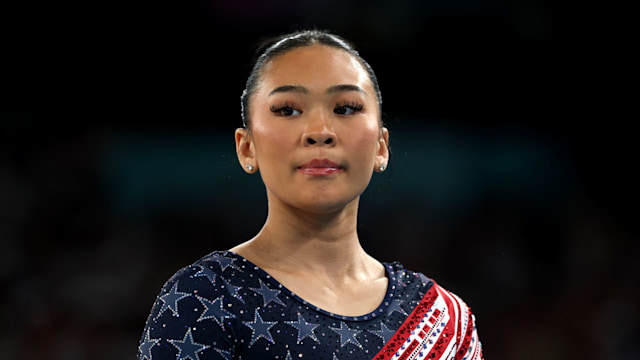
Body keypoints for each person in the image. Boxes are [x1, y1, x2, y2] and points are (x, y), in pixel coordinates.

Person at [137, 29, 483, 360]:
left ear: (381, 146)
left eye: (346, 108)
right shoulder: (205, 299)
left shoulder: (445, 320)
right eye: (287, 110)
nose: (320, 132)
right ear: (247, 148)